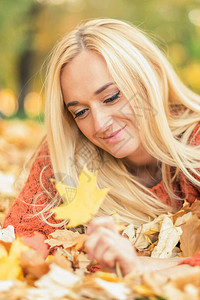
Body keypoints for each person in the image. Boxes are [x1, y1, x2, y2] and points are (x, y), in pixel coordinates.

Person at [3, 18, 200, 276]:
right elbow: (18, 246)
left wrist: (139, 267)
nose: (99, 124)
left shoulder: (194, 142)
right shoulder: (67, 150)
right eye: (81, 111)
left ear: (150, 76)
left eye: (111, 97)